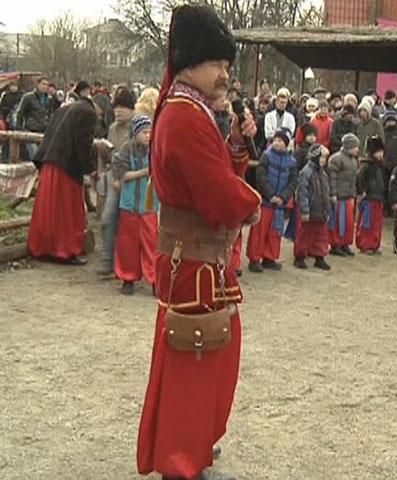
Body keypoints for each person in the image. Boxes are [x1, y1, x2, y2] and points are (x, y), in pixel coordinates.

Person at [136, 6, 262, 480]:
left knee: (209, 352)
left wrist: (235, 144)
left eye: (227, 66)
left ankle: (192, 443)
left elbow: (214, 173)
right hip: (194, 262)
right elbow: (216, 193)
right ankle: (181, 459)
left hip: (198, 258)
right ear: (191, 63)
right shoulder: (186, 116)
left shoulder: (190, 110)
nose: (225, 74)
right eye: (218, 64)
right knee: (197, 353)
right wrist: (251, 200)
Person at [27, 92, 97, 264]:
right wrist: (90, 168)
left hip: (50, 162)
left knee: (48, 208)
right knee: (66, 210)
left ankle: (43, 248)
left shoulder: (64, 109)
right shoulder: (88, 113)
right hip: (67, 166)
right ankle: (65, 250)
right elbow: (83, 143)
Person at [112, 115, 158, 295]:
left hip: (149, 204)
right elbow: (122, 176)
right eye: (145, 132)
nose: (148, 136)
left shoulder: (155, 150)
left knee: (152, 243)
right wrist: (144, 172)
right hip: (130, 204)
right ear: (136, 132)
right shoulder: (126, 150)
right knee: (128, 244)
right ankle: (128, 278)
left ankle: (155, 280)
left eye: (150, 132)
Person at [97, 88, 136, 277]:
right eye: (116, 107)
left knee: (131, 225)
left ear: (131, 108)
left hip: (134, 180)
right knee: (107, 218)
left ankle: (131, 266)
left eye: (122, 107)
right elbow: (112, 154)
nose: (118, 111)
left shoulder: (139, 128)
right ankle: (107, 261)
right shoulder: (112, 128)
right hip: (114, 177)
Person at [246, 128, 297, 273]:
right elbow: (261, 177)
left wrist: (284, 197)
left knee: (275, 231)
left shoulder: (292, 161)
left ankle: (270, 257)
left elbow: (293, 181)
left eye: (280, 141)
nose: (277, 143)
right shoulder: (266, 156)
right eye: (275, 140)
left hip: (280, 203)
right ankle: (254, 258)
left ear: (286, 144)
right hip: (266, 201)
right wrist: (270, 195)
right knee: (259, 231)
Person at [294, 143, 332, 270]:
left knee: (321, 235)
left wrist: (327, 210)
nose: (323, 161)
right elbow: (302, 192)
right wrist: (304, 210)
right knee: (304, 234)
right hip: (309, 209)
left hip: (321, 210)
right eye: (321, 158)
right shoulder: (306, 173)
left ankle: (319, 256)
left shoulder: (324, 174)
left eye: (324, 159)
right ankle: (299, 256)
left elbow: (326, 193)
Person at [328, 133, 360, 257]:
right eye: (355, 147)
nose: (358, 149)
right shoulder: (336, 159)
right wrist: (333, 194)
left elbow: (354, 180)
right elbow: (332, 178)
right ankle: (336, 244)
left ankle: (345, 243)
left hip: (348, 196)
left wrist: (354, 194)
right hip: (339, 196)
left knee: (349, 223)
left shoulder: (354, 161)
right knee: (338, 223)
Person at [356, 136, 386, 254]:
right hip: (368, 199)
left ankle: (374, 244)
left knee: (376, 224)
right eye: (377, 152)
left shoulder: (381, 166)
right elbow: (359, 179)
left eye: (381, 152)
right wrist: (362, 191)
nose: (380, 155)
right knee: (367, 223)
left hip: (378, 198)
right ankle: (365, 244)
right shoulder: (366, 166)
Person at [17, 77, 51, 159]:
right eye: (43, 84)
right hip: (31, 130)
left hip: (44, 130)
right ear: (38, 84)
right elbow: (20, 113)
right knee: (35, 155)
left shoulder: (49, 99)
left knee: (44, 156)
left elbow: (50, 114)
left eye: (47, 85)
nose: (45, 87)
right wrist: (19, 129)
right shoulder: (28, 97)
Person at [382, 109, 397, 212]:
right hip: (383, 163)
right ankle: (385, 206)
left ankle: (393, 206)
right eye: (388, 120)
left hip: (396, 163)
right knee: (384, 186)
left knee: (395, 186)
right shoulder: (382, 131)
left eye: (392, 120)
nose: (391, 122)